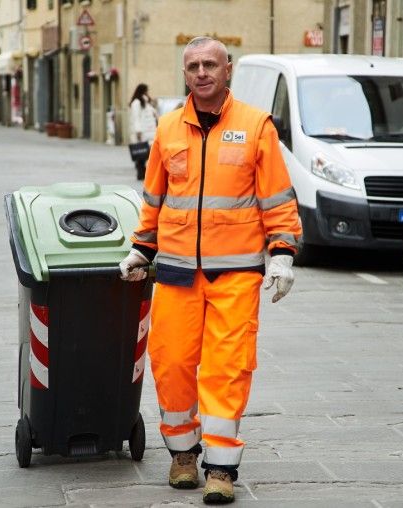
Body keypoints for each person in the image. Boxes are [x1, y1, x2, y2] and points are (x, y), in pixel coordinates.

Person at [118, 36, 301, 505]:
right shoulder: (166, 130)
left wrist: (282, 251)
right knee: (173, 362)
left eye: (210, 65)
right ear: (185, 73)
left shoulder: (257, 127)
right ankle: (183, 455)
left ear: (228, 70)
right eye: (193, 65)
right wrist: (141, 248)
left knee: (226, 367)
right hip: (177, 271)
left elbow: (277, 199)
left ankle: (221, 468)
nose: (202, 73)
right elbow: (154, 200)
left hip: (236, 273)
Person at [128, 83, 158, 180]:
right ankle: (141, 172)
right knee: (141, 154)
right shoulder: (136, 103)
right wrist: (138, 131)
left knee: (147, 153)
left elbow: (153, 113)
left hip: (150, 132)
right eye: (146, 90)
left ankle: (145, 172)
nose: (147, 92)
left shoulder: (145, 101)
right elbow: (136, 118)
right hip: (142, 133)